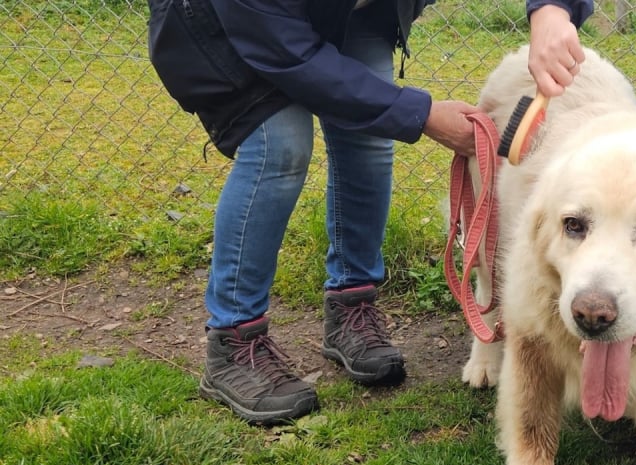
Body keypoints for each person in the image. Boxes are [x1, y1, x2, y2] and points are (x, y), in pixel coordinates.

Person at [147, 0, 594, 424]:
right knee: (278, 147)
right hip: (242, 23)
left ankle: (351, 306)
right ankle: (233, 340)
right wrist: (420, 115)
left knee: (369, 141)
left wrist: (552, 10)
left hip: (350, 11)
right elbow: (286, 51)